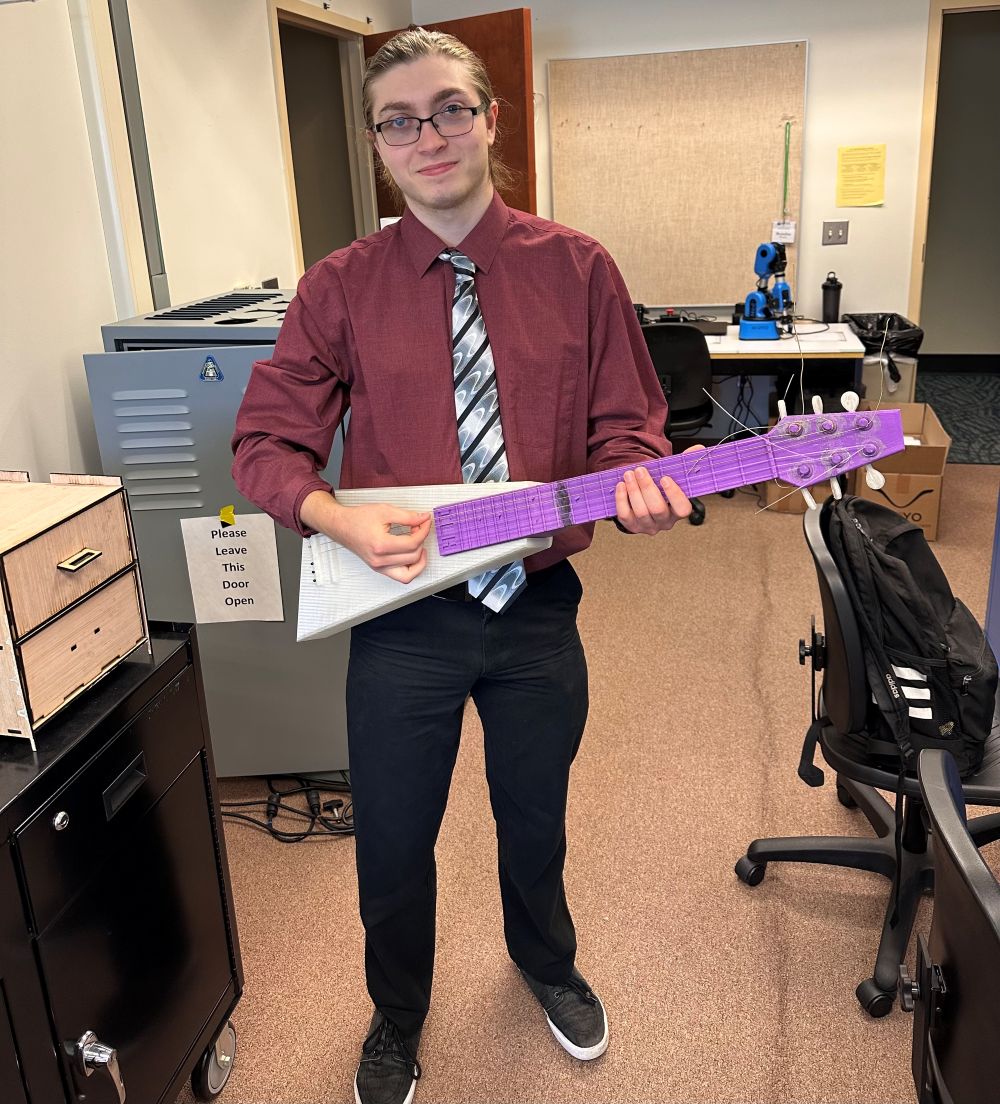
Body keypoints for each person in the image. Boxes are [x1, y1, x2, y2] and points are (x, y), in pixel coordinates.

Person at [231, 27, 695, 1104]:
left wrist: (643, 492)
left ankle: (545, 963)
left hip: (535, 610)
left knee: (535, 816)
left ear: (490, 117)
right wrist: (329, 515)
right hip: (403, 616)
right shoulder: (338, 287)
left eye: (447, 108)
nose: (426, 135)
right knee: (392, 840)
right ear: (376, 145)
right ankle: (396, 1015)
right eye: (398, 119)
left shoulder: (578, 268)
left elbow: (632, 429)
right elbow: (267, 443)